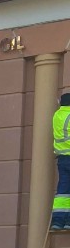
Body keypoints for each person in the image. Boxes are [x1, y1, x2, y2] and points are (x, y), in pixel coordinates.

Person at [52, 92, 69, 230]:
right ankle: (69, 221)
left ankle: (58, 221)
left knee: (63, 190)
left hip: (62, 158)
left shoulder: (57, 115)